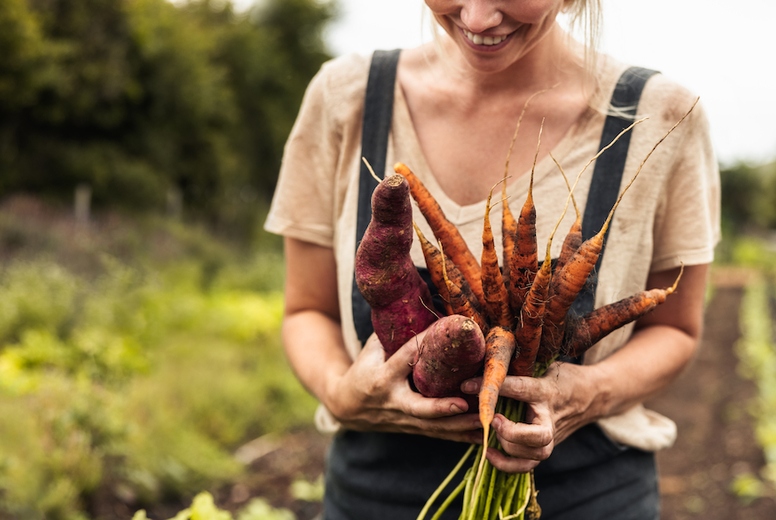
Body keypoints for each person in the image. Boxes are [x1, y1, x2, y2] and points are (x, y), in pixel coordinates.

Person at [264, 1, 720, 518]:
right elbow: (307, 310)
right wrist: (341, 395)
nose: (478, 18)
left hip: (588, 498)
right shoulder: (343, 97)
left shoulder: (660, 115)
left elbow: (676, 330)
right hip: (373, 496)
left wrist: (586, 393)